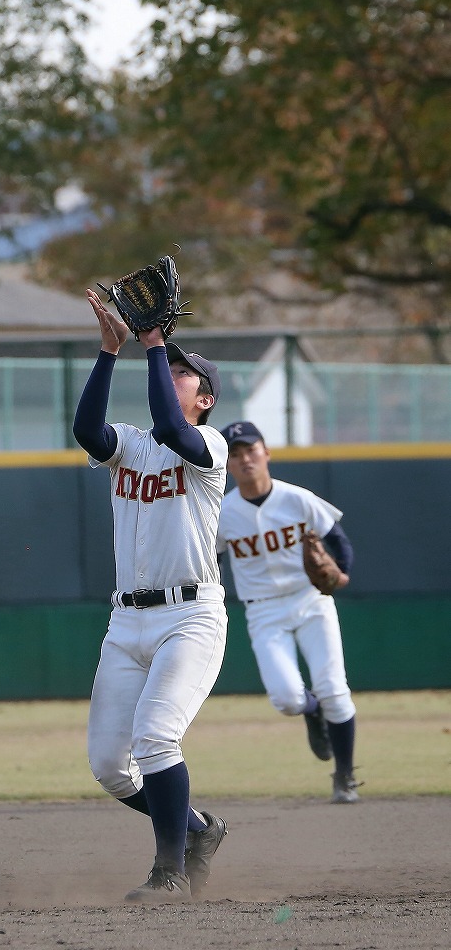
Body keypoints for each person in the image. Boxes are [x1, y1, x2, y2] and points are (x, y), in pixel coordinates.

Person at [73, 288, 230, 903]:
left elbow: (172, 425)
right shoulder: (132, 446)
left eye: (182, 371)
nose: (171, 372)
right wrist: (110, 352)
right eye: (171, 366)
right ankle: (198, 829)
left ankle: (167, 872)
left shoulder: (209, 450)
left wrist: (155, 342)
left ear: (206, 398)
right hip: (127, 623)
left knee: (157, 737)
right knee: (111, 767)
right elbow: (87, 429)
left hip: (191, 617)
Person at [216, 421, 361, 804]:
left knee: (335, 688)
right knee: (287, 700)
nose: (245, 458)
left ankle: (344, 776)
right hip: (262, 610)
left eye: (251, 450)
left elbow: (336, 538)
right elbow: (207, 560)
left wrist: (342, 573)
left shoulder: (296, 498)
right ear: (228, 463)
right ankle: (311, 712)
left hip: (311, 600)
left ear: (266, 453)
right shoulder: (222, 513)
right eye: (236, 453)